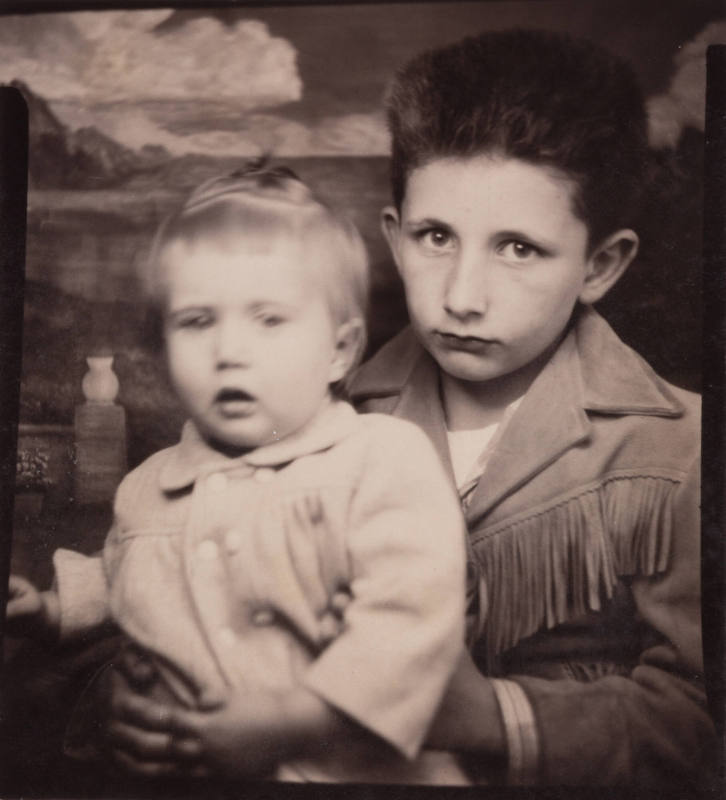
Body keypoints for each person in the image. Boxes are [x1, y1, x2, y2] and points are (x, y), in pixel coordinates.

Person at [6, 164, 469, 784]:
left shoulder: (381, 460)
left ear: (339, 349)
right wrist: (54, 608)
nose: (229, 351)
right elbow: (130, 566)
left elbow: (413, 618)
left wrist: (293, 717)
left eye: (268, 319)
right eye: (198, 321)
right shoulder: (149, 484)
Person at [344, 28, 715, 788]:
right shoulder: (338, 420)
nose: (461, 297)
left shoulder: (679, 453)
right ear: (394, 235)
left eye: (518, 248)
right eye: (436, 236)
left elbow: (699, 722)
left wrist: (489, 714)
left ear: (600, 266)